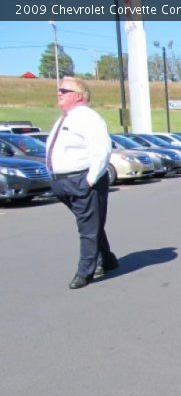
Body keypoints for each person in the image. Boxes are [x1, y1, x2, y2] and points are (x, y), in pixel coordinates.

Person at [46, 77, 116, 289]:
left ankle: (85, 271)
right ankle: (108, 259)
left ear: (78, 96)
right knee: (91, 224)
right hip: (63, 182)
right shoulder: (64, 118)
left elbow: (101, 149)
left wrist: (90, 179)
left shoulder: (87, 117)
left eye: (64, 90)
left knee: (87, 228)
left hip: (81, 180)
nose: (59, 93)